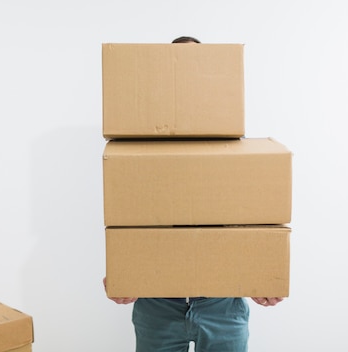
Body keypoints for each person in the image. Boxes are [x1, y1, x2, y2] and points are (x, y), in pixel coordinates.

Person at [103, 36, 284, 352]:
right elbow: (128, 221)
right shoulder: (136, 153)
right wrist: (123, 274)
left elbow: (250, 220)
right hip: (156, 306)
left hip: (223, 306)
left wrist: (261, 276)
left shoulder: (235, 154)